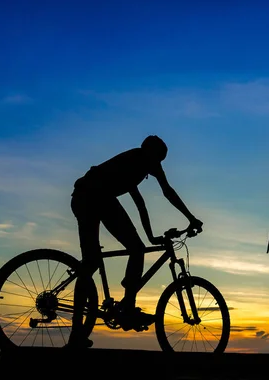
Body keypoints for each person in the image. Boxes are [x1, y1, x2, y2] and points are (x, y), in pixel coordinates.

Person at [66, 134, 203, 347]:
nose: (157, 166)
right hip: (92, 197)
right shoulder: (135, 161)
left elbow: (146, 201)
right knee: (97, 261)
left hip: (94, 197)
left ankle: (103, 319)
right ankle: (122, 310)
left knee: (116, 255)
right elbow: (158, 196)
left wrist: (154, 235)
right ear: (150, 153)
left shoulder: (142, 164)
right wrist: (191, 218)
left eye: (160, 162)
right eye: (157, 160)